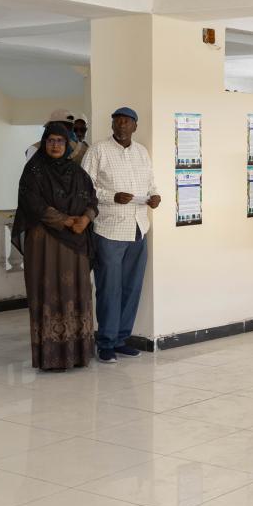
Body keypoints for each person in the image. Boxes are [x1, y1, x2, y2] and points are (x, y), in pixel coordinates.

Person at [12, 123, 99, 371]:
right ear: (44, 142)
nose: (55, 145)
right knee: (48, 293)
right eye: (50, 140)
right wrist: (65, 220)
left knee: (77, 294)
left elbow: (92, 199)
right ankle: (50, 357)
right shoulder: (34, 171)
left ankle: (78, 354)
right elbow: (33, 203)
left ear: (67, 144)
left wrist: (86, 218)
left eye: (60, 141)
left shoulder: (77, 173)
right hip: (45, 244)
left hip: (76, 243)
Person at [81, 107, 161, 363]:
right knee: (108, 289)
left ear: (135, 126)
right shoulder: (98, 151)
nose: (122, 125)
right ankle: (105, 342)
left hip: (139, 227)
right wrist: (111, 197)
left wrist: (155, 196)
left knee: (131, 287)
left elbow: (150, 182)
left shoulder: (141, 152)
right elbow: (85, 188)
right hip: (109, 229)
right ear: (112, 125)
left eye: (127, 121)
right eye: (117, 121)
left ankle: (121, 339)